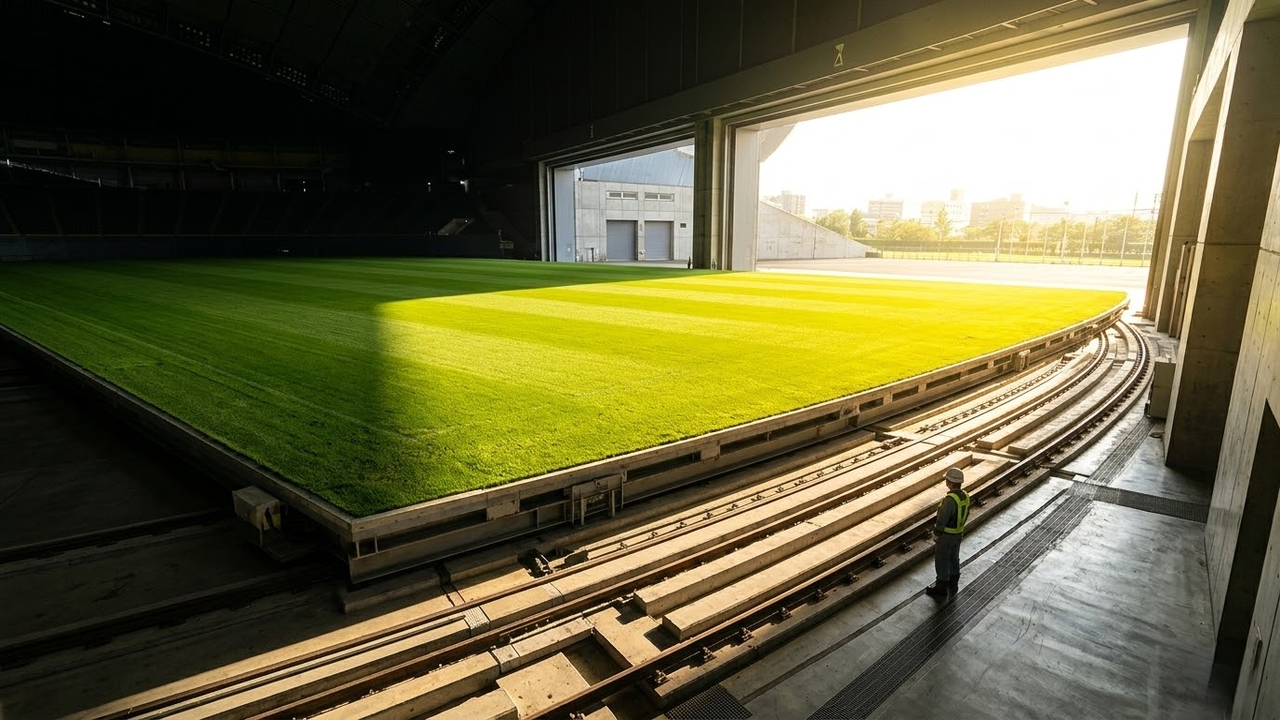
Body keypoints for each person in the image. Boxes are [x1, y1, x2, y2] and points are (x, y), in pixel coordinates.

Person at [925, 467, 970, 602]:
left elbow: (942, 519)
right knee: (953, 558)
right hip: (958, 534)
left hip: (946, 535)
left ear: (949, 482)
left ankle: (941, 587)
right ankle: (953, 582)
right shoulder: (965, 495)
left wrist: (937, 533)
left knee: (942, 559)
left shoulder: (950, 499)